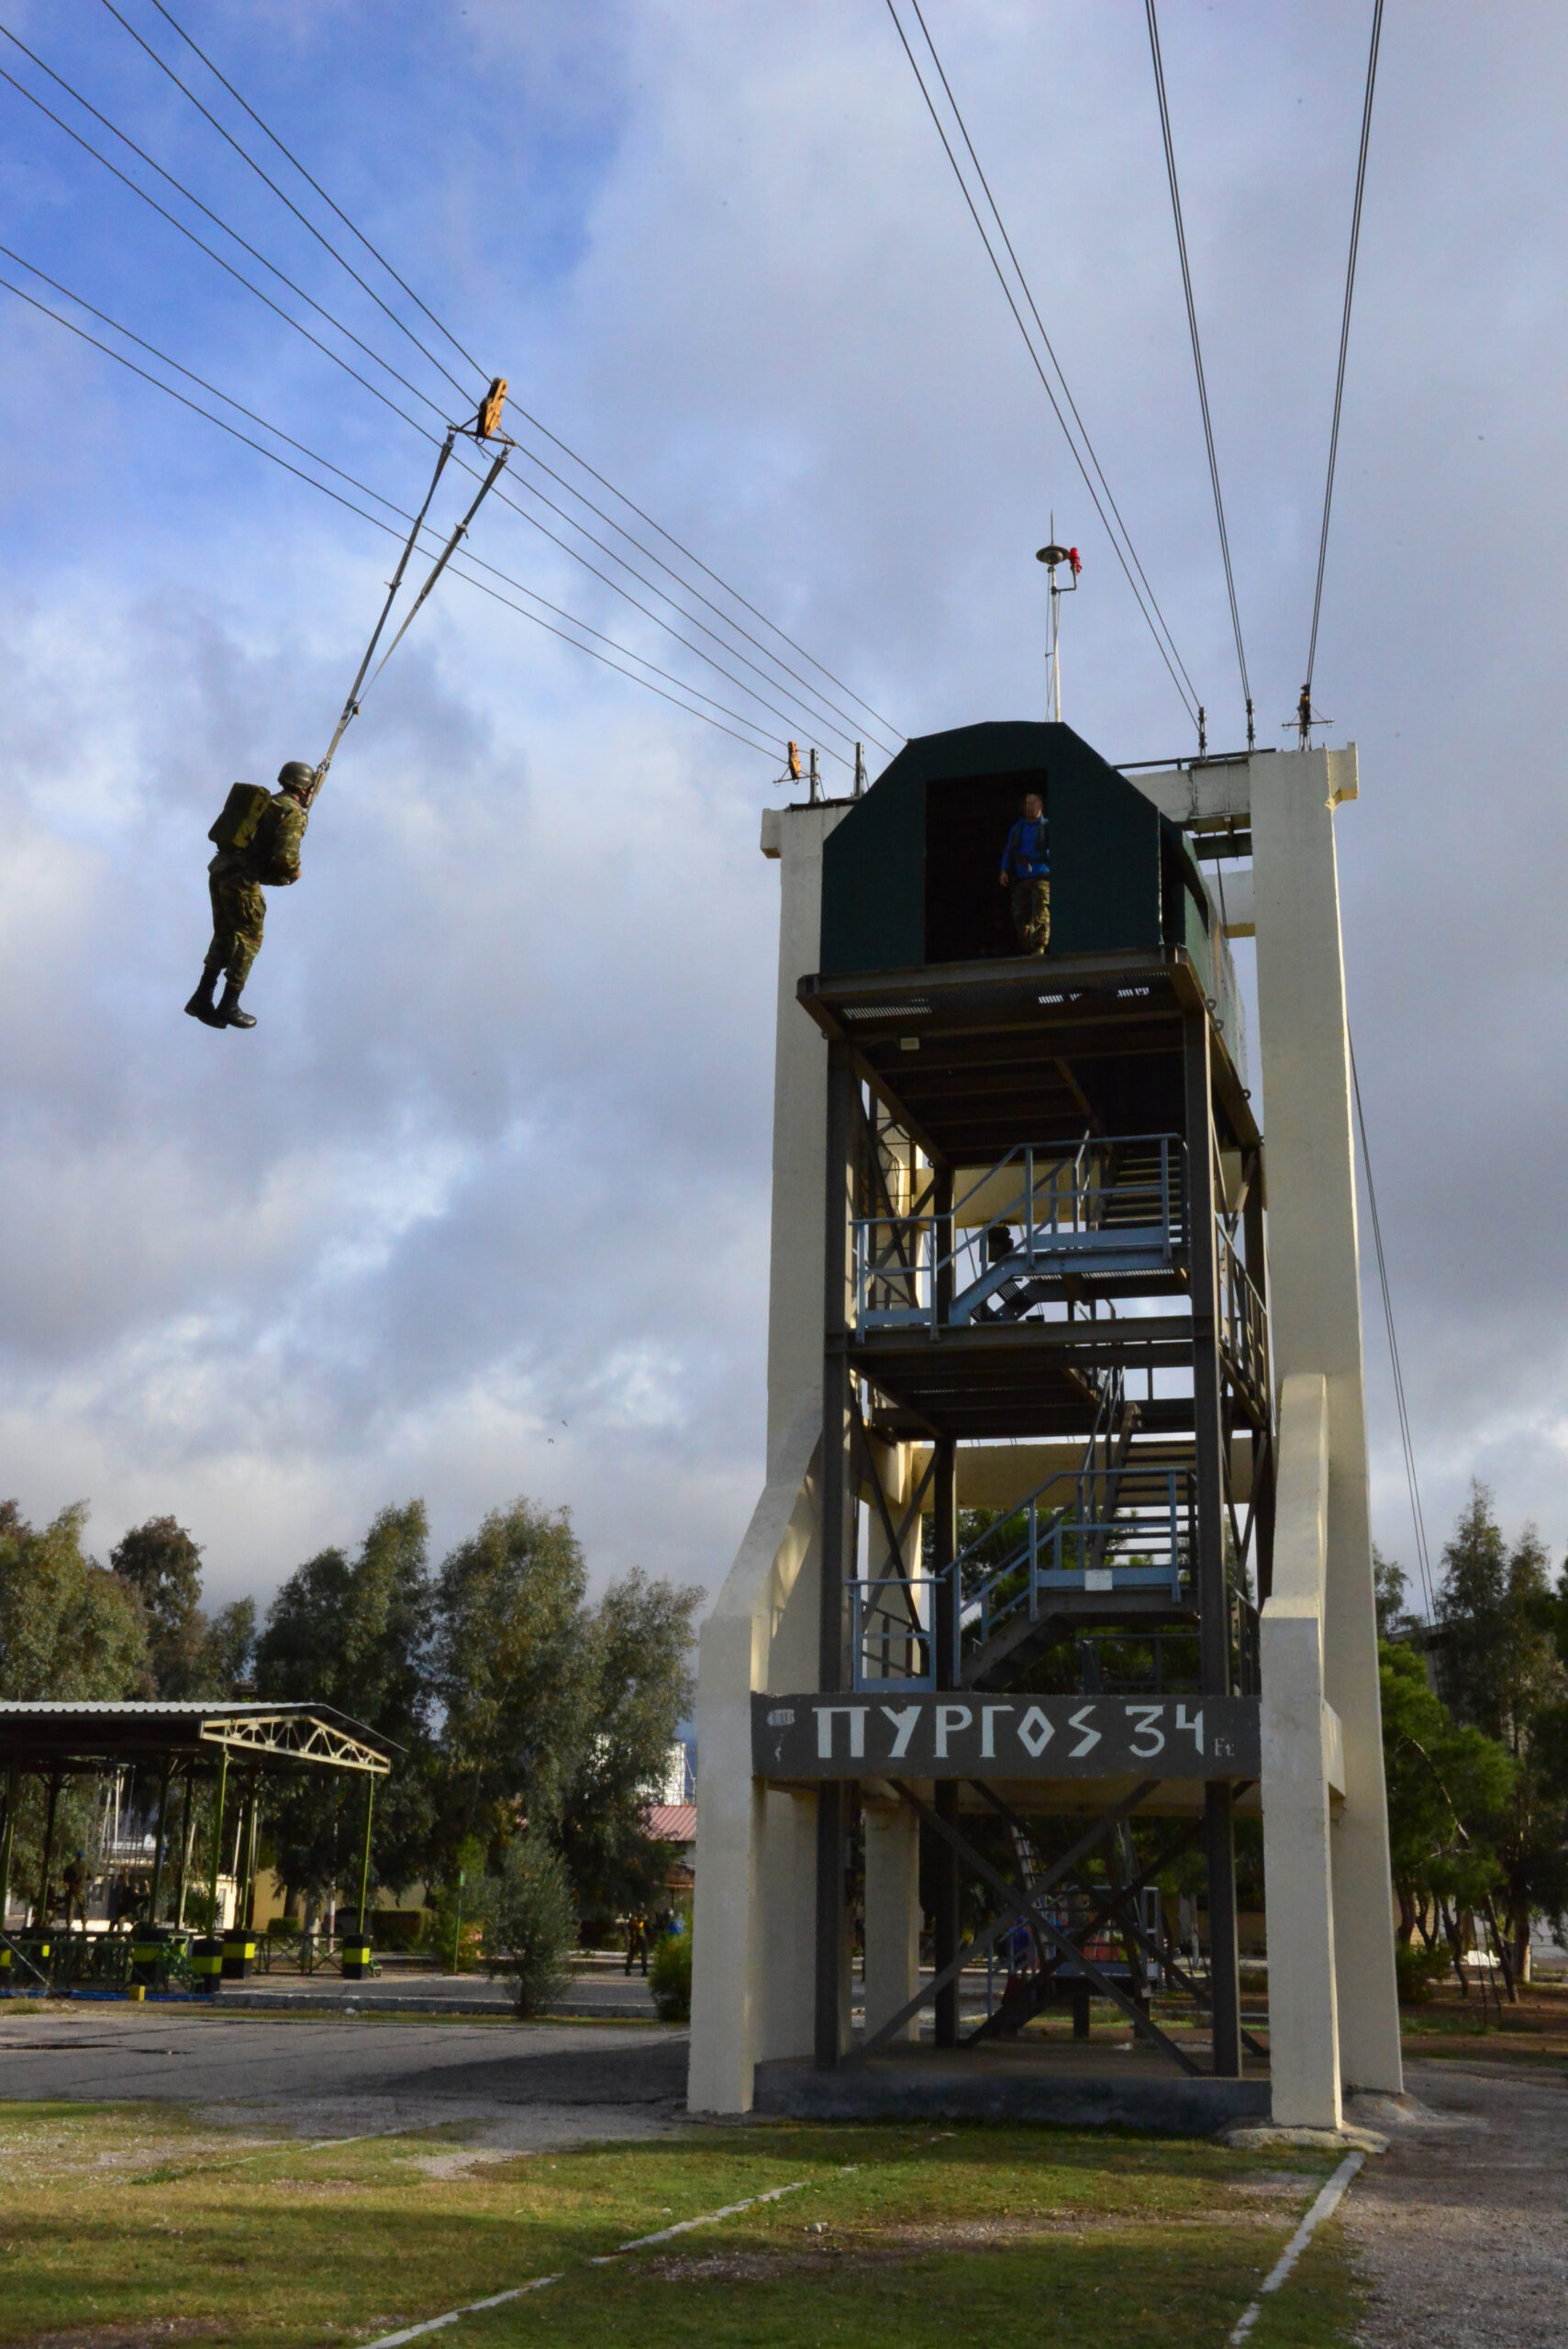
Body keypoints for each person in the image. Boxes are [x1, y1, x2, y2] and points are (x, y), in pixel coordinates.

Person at [185, 760, 313, 1030]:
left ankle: (201, 998)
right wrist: (294, 872)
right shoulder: (292, 812)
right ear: (304, 788)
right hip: (242, 882)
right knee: (249, 941)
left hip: (221, 870)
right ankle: (229, 1005)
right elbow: (285, 858)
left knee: (225, 936)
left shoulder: (269, 803)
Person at [998, 789, 1050, 954]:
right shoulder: (1017, 829)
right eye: (1027, 804)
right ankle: (1029, 946)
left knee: (1040, 910)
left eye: (1033, 803)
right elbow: (1009, 851)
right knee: (1019, 914)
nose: (1029, 807)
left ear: (1040, 805)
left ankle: (1040, 946)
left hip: (1041, 876)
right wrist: (1004, 870)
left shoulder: (1047, 827)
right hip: (1021, 878)